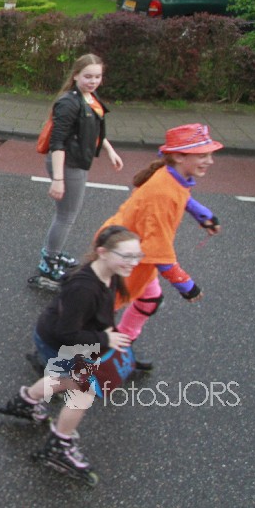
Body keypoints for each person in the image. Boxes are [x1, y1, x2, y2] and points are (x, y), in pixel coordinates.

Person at [0, 225, 139, 485]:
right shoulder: (84, 288)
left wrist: (107, 334)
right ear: (102, 252)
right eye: (126, 256)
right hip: (60, 341)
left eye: (137, 256)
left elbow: (99, 314)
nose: (134, 262)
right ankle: (59, 446)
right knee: (83, 390)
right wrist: (105, 339)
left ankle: (27, 401)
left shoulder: (110, 274)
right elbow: (67, 333)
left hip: (73, 339)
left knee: (65, 379)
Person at [98, 123, 222, 368]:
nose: (210, 161)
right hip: (120, 257)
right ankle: (63, 361)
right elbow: (158, 249)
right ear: (179, 156)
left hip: (133, 253)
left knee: (149, 299)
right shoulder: (161, 193)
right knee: (99, 314)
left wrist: (202, 214)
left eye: (210, 155)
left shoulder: (173, 176)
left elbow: (182, 195)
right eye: (202, 155)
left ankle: (119, 350)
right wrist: (185, 285)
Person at [33, 54, 125, 290]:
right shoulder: (68, 103)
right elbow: (57, 142)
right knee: (66, 216)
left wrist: (110, 151)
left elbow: (95, 130)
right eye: (88, 76)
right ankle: (48, 262)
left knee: (66, 214)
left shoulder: (90, 98)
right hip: (67, 164)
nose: (93, 81)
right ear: (75, 76)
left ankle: (53, 253)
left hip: (76, 163)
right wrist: (58, 179)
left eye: (97, 77)